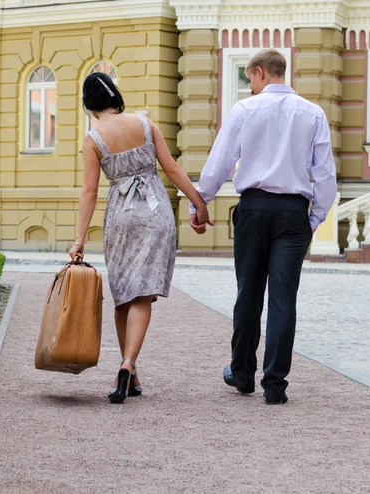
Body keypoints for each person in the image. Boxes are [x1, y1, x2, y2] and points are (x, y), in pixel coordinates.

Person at [189, 49, 337, 405]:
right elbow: (326, 178)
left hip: (254, 209)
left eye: (249, 80)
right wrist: (312, 219)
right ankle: (275, 385)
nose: (250, 87)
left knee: (249, 293)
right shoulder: (313, 113)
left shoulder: (245, 110)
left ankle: (242, 374)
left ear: (259, 73)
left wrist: (200, 201)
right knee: (284, 299)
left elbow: (220, 161)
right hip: (293, 213)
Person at [70, 72, 213, 404]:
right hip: (154, 211)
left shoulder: (92, 139)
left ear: (89, 104)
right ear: (115, 96)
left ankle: (128, 368)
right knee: (142, 294)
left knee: (123, 294)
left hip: (121, 216)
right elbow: (173, 169)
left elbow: (89, 192)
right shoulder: (145, 124)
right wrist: (199, 204)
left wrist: (79, 239)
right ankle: (129, 366)